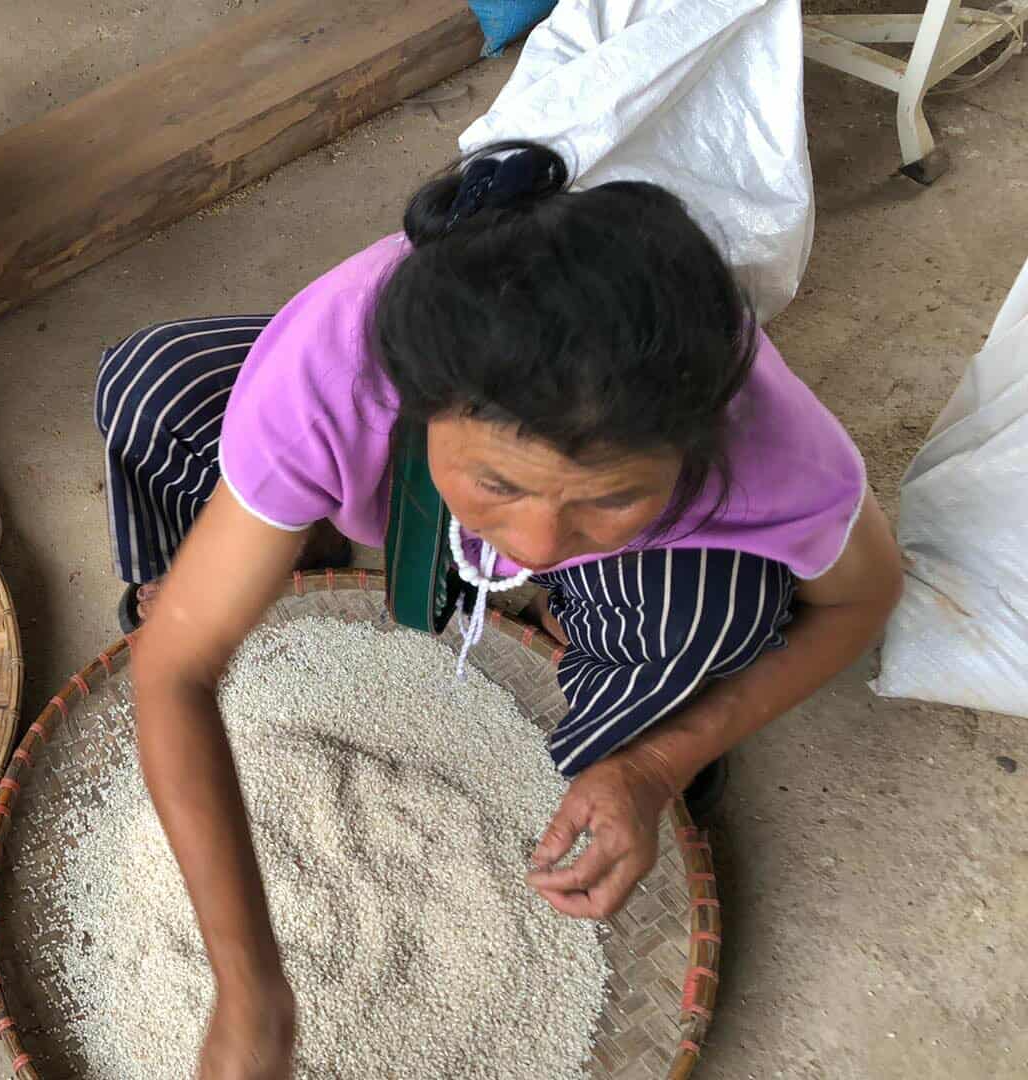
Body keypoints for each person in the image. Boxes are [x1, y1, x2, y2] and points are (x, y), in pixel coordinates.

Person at [95, 143, 902, 1077]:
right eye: (498, 484)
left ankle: (597, 660)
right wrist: (251, 991)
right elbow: (176, 666)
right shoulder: (337, 368)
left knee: (709, 620)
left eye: (608, 495)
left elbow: (863, 598)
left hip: (635, 564)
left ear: (697, 446)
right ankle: (295, 535)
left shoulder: (763, 438)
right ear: (417, 403)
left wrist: (654, 766)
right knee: (150, 386)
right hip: (378, 456)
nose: (538, 542)